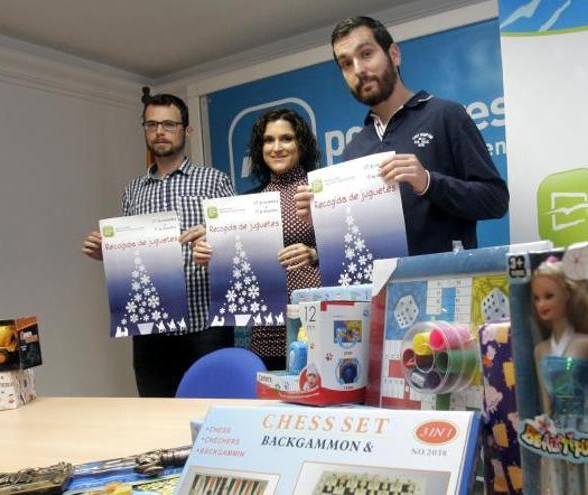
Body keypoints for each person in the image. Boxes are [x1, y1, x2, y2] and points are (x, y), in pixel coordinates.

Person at [294, 16, 509, 256]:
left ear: (394, 55)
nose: (358, 70)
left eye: (366, 54)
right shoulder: (354, 149)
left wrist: (428, 182)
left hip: (448, 284)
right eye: (346, 64)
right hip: (384, 290)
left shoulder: (446, 115)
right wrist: (323, 220)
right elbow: (357, 241)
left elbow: (496, 201)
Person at [82, 93, 235, 397]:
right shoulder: (133, 191)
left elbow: (239, 242)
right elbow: (131, 256)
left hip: (204, 325)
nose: (159, 132)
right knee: (155, 414)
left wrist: (214, 237)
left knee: (210, 412)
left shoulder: (214, 180)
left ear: (186, 129)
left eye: (168, 124)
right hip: (150, 328)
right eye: (151, 125)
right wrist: (109, 253)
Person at [194, 109, 321, 370]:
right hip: (266, 328)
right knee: (271, 403)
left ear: (302, 144)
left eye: (286, 138)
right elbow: (238, 269)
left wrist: (314, 254)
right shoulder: (246, 203)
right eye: (268, 140)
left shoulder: (319, 191)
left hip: (315, 317)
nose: (276, 147)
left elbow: (348, 251)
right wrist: (212, 260)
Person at [529, 256, 588, 495]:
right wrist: (545, 425)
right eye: (537, 298)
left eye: (549, 296)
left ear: (567, 294)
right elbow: (546, 402)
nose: (542, 304)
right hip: (557, 432)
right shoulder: (541, 350)